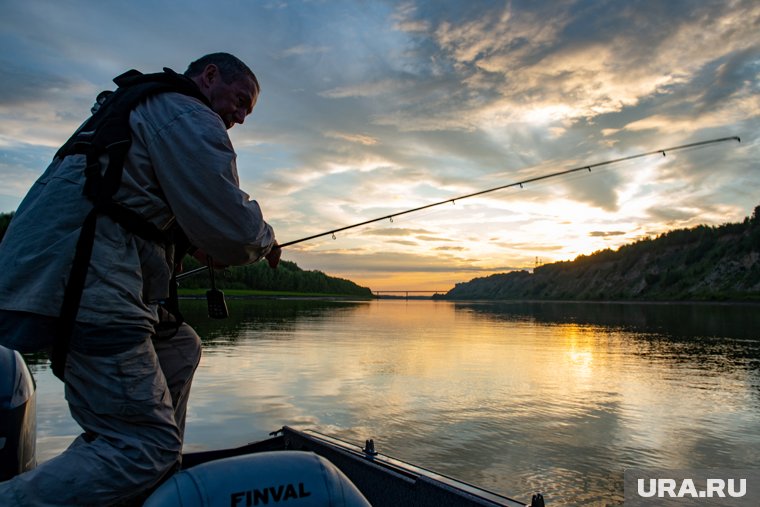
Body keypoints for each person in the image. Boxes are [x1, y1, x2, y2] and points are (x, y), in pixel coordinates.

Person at [0, 52, 281, 505]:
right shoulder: (186, 113)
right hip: (88, 287)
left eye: (248, 110)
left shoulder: (144, 107)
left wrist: (190, 243)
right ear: (209, 76)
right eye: (241, 101)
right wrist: (265, 241)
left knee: (180, 345)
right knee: (142, 447)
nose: (241, 117)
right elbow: (235, 229)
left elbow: (126, 196)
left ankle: (138, 485)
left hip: (64, 276)